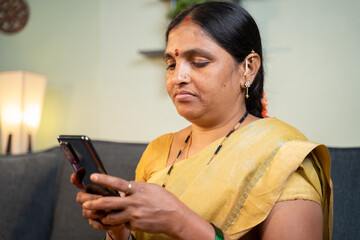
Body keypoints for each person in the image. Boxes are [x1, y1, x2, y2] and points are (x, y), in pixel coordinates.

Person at [72, 2, 333, 240]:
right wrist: (118, 229)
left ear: (249, 68)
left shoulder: (282, 156)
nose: (178, 77)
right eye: (171, 64)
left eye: (198, 62)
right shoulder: (158, 151)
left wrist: (180, 221)